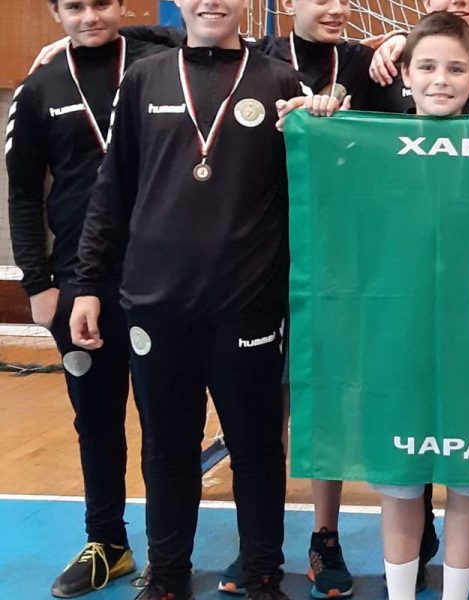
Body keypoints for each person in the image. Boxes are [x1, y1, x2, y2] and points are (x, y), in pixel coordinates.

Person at [67, 0, 311, 596]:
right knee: (166, 448)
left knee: (257, 449)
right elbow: (111, 189)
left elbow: (311, 189)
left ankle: (262, 574)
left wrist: (322, 115)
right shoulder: (144, 77)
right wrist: (87, 284)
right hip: (155, 303)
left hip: (247, 305)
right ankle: (169, 574)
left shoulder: (280, 82)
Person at [5, 0, 168, 596]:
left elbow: (205, 30)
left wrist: (132, 28)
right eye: (74, 6)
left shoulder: (159, 64)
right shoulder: (38, 89)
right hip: (77, 284)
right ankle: (107, 544)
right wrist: (38, 284)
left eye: (102, 4)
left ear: (122, 5)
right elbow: (23, 192)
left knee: (164, 423)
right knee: (96, 422)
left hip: (159, 279)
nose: (89, 17)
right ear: (54, 12)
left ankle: (167, 551)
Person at [364, 19, 469, 600]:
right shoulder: (372, 148)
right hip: (399, 341)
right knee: (401, 482)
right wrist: (317, 116)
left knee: (468, 483)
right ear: (405, 75)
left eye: (455, 68)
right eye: (427, 66)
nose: (440, 79)